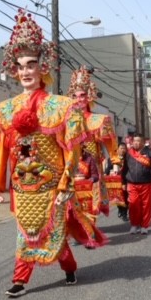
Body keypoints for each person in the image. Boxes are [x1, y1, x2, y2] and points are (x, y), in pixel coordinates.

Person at [0, 9, 106, 298]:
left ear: (43, 68)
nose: (26, 71)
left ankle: (68, 266)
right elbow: (2, 150)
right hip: (23, 187)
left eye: (31, 64)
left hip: (52, 186)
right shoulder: (5, 110)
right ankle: (20, 279)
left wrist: (66, 182)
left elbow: (71, 150)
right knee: (25, 235)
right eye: (21, 66)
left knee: (55, 233)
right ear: (15, 70)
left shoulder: (62, 107)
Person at [66, 65, 119, 218]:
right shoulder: (66, 121)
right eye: (75, 96)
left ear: (89, 96)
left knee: (90, 201)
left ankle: (90, 230)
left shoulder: (99, 120)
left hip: (92, 167)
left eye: (82, 95)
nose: (79, 99)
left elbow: (110, 143)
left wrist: (114, 162)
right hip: (72, 165)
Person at [121, 133, 151, 235]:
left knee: (146, 206)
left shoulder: (149, 153)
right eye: (134, 141)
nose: (136, 143)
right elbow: (124, 169)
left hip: (146, 183)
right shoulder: (129, 154)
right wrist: (123, 182)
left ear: (143, 142)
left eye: (138, 141)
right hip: (132, 184)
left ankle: (144, 226)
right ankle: (134, 225)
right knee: (133, 205)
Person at [105, 142, 129, 221]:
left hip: (126, 181)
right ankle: (120, 210)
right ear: (117, 150)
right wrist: (109, 172)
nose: (123, 150)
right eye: (121, 148)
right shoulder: (112, 159)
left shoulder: (128, 158)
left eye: (124, 148)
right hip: (115, 182)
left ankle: (124, 213)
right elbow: (107, 170)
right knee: (118, 198)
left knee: (125, 197)